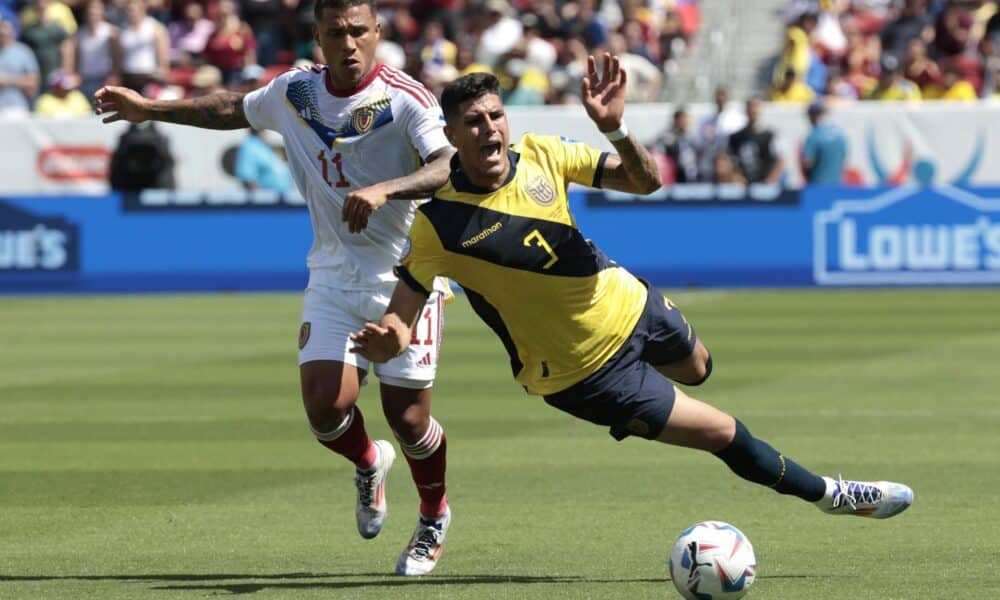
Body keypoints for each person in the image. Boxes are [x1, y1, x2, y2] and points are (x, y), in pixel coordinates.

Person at [350, 63, 914, 562]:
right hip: (584, 374)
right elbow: (403, 317)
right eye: (472, 121)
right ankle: (833, 495)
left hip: (631, 302)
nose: (488, 129)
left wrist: (613, 128)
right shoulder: (437, 227)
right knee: (720, 431)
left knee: (699, 368)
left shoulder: (545, 154)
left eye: (495, 116)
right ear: (450, 135)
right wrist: (389, 342)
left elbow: (646, 182)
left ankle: (785, 462)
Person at [95, 0, 458, 577]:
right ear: (317, 35)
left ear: (378, 32)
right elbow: (229, 108)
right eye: (335, 32)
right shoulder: (296, 92)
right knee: (324, 410)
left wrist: (389, 188)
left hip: (407, 277)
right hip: (333, 275)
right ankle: (369, 464)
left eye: (359, 31)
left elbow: (444, 164)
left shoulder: (406, 97)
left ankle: (434, 512)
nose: (349, 43)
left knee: (409, 420)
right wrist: (150, 109)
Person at [728, 98, 784, 184]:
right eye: (751, 108)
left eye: (756, 107)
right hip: (744, 185)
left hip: (765, 184)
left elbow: (780, 160)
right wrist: (737, 176)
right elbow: (731, 159)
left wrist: (771, 179)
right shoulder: (736, 137)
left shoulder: (770, 135)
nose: (753, 111)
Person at [0, 15, 39, 117]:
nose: (2, 32)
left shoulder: (23, 52)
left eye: (5, 28)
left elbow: (34, 81)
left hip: (17, 108)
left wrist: (7, 80)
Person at [801, 100, 847, 186]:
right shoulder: (840, 134)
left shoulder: (813, 136)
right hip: (837, 185)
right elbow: (843, 158)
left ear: (813, 116)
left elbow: (807, 163)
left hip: (818, 186)